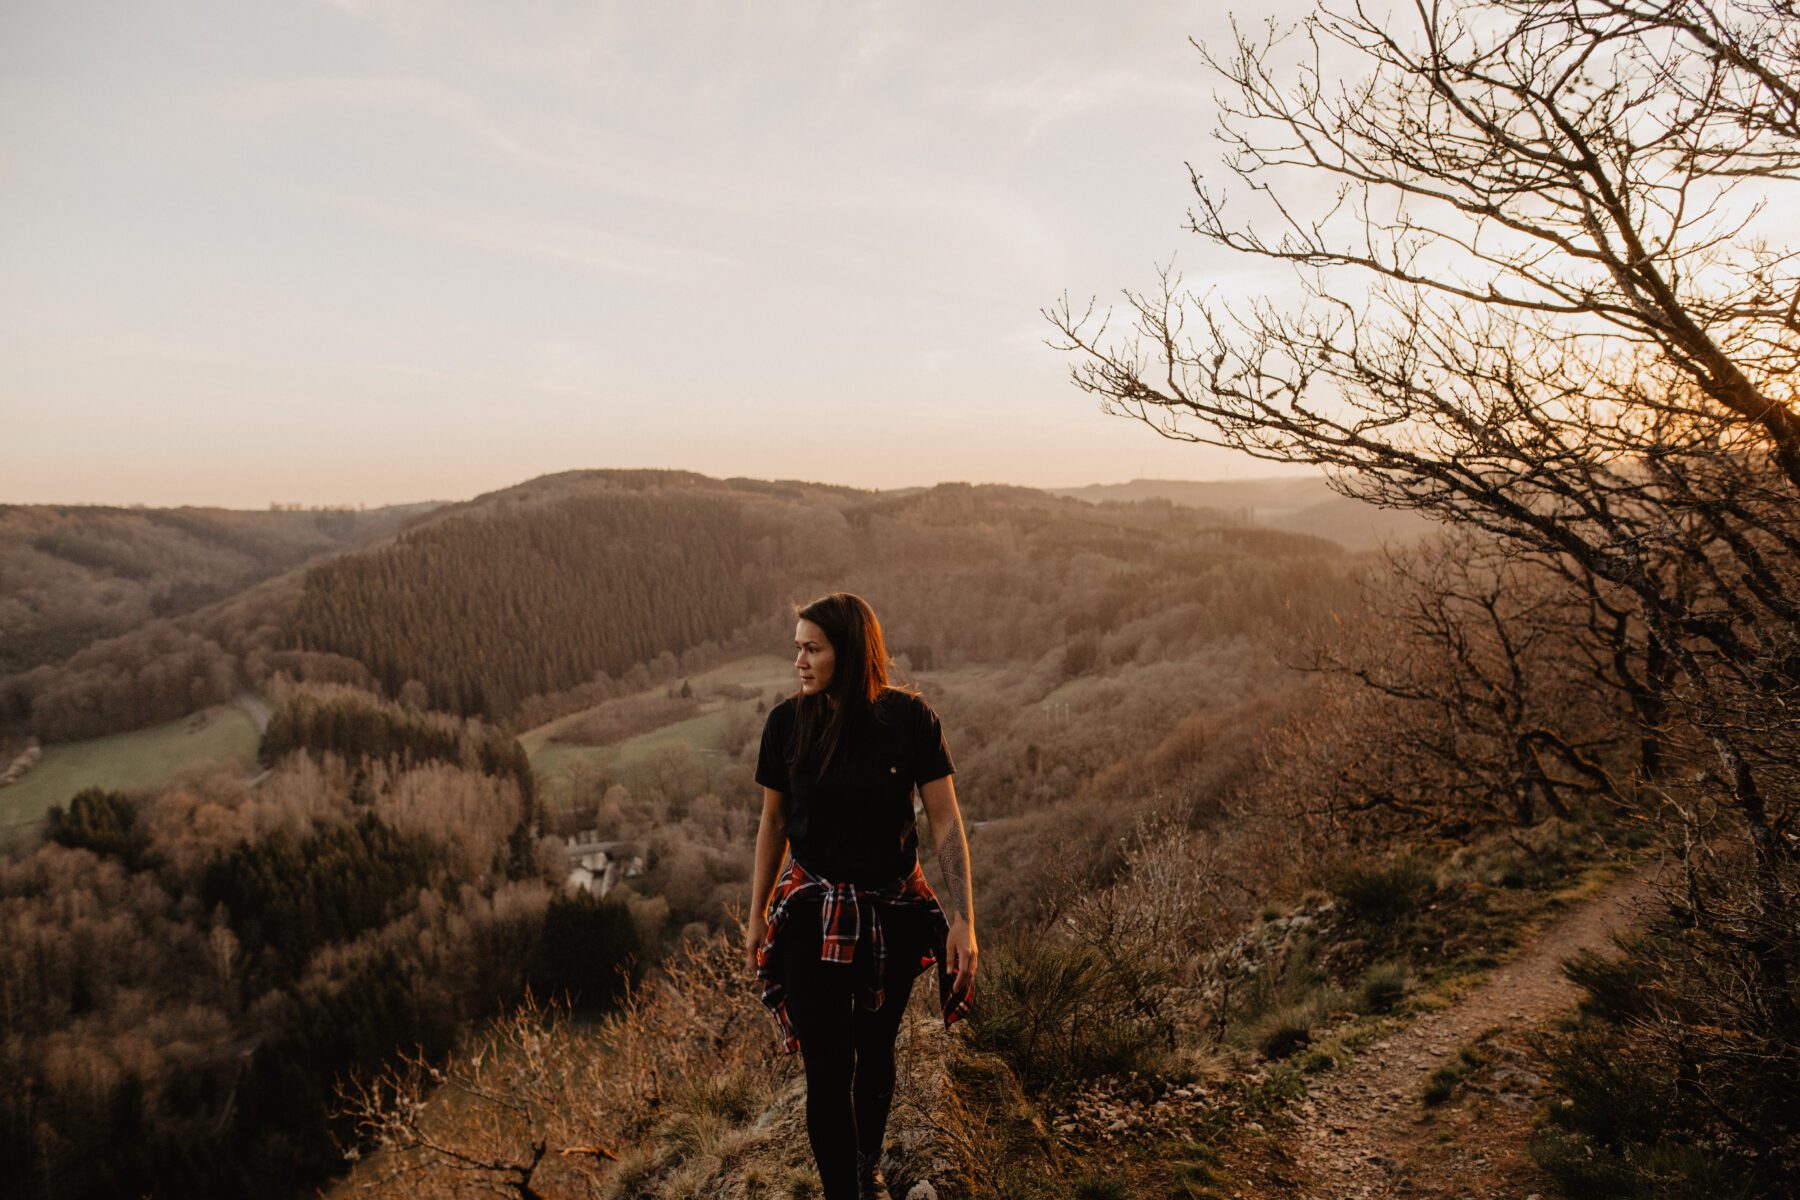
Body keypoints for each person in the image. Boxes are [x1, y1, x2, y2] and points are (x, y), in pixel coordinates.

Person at [746, 592, 978, 1200]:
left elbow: (946, 823)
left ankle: (865, 1166)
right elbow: (771, 825)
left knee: (875, 1054)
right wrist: (755, 917)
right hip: (811, 915)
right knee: (827, 1069)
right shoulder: (786, 724)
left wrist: (963, 919)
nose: (799, 660)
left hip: (892, 911)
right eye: (796, 647)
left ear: (847, 653)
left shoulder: (909, 721)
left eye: (812, 649)